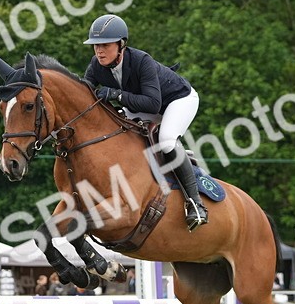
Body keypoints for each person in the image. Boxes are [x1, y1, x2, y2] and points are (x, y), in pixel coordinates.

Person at [83, 14, 208, 231]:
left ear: (121, 44)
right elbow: (84, 97)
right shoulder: (96, 65)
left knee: (167, 140)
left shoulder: (142, 61)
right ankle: (178, 158)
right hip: (141, 106)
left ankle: (195, 204)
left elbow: (152, 103)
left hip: (177, 100)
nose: (99, 51)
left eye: (105, 45)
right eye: (95, 46)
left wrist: (116, 94)